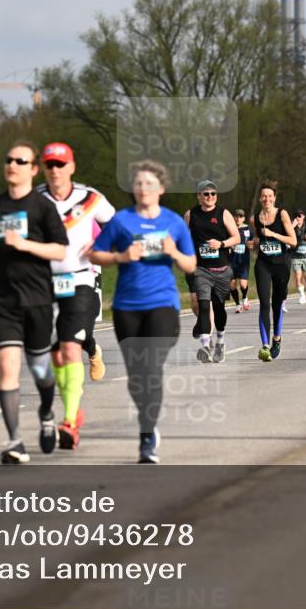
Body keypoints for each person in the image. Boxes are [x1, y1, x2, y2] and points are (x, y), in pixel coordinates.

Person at [88, 160, 196, 463]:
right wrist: (122, 255)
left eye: (149, 184)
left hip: (162, 304)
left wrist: (173, 251)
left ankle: (147, 434)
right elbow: (95, 253)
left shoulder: (174, 222)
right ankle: (147, 424)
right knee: (137, 376)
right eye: (138, 184)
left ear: (161, 188)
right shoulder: (121, 221)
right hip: (126, 307)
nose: (142, 188)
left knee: (150, 367)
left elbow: (191, 264)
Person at [0, 141, 68, 463]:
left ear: (33, 169)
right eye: (9, 159)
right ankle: (14, 441)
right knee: (7, 368)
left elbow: (60, 249)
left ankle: (47, 412)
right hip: (4, 300)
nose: (12, 164)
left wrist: (28, 245)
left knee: (40, 369)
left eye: (20, 160)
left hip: (38, 299)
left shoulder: (43, 207)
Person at [35, 141, 116, 450]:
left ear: (71, 167)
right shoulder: (34, 199)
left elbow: (116, 224)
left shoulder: (90, 197)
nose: (54, 171)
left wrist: (101, 247)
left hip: (81, 281)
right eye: (49, 165)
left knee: (71, 348)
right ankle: (74, 407)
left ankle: (68, 422)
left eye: (60, 164)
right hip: (45, 285)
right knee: (55, 354)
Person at [184, 180, 240, 363]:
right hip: (201, 269)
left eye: (213, 194)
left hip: (222, 269)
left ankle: (221, 340)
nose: (210, 197)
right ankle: (205, 346)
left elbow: (236, 238)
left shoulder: (223, 214)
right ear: (199, 195)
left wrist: (221, 244)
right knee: (204, 305)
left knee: (219, 307)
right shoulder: (190, 214)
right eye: (206, 194)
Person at [251, 180, 297, 360]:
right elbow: (258, 240)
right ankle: (265, 345)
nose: (267, 199)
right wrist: (252, 243)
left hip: (281, 265)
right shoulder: (254, 218)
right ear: (260, 199)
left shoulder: (282, 214)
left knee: (277, 303)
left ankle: (276, 338)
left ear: (274, 198)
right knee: (263, 303)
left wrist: (274, 234)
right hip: (263, 264)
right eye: (264, 196)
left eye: (270, 196)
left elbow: (293, 241)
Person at [230, 209, 255, 313]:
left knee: (243, 284)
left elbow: (253, 240)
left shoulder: (248, 228)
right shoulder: (229, 228)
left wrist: (252, 244)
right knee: (231, 285)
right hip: (231, 261)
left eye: (240, 216)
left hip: (243, 261)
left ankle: (244, 297)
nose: (238, 218)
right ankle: (237, 304)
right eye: (236, 216)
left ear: (244, 218)